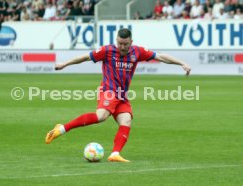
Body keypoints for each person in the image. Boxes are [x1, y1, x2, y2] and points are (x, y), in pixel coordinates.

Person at [45, 28, 191, 163]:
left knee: (126, 120)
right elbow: (85, 57)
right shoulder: (107, 51)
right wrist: (64, 64)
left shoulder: (137, 52)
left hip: (122, 95)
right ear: (116, 41)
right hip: (108, 91)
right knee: (101, 116)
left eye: (125, 44)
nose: (122, 47)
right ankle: (62, 129)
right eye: (119, 43)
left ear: (131, 43)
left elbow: (160, 57)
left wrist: (181, 63)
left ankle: (115, 154)